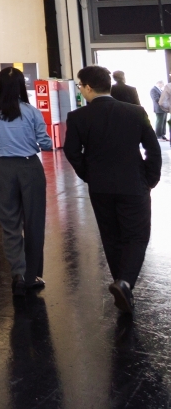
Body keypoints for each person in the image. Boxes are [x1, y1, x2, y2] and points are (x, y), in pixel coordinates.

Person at [64, 65, 161, 314]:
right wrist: (150, 179)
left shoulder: (77, 117)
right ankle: (125, 283)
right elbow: (152, 148)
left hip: (100, 187)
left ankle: (122, 285)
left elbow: (72, 152)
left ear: (88, 87)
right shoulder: (135, 112)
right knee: (136, 236)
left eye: (80, 86)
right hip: (134, 184)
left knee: (111, 236)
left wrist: (89, 175)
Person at [0, 66, 53, 293]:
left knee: (10, 223)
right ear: (21, 86)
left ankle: (17, 273)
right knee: (34, 222)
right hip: (30, 167)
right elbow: (46, 143)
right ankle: (32, 276)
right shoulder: (32, 111)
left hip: (3, 168)